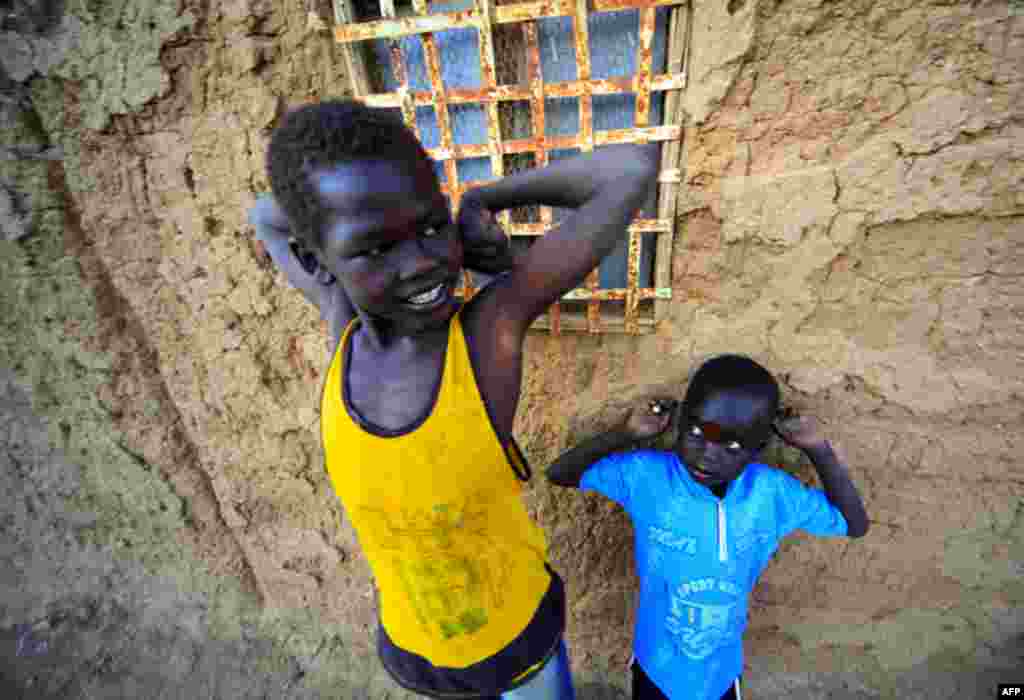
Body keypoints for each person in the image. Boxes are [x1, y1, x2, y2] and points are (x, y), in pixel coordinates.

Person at [248, 99, 660, 699]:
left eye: (431, 226)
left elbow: (631, 170)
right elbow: (268, 215)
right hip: (417, 652)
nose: (421, 264)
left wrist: (485, 199)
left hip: (517, 652)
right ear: (318, 261)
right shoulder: (343, 330)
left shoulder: (485, 337)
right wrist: (324, 212)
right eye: (375, 248)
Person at [545, 354, 869, 700]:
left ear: (758, 448)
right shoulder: (647, 477)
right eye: (697, 432)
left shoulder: (772, 494)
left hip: (721, 671)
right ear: (681, 421)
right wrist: (625, 433)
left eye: (730, 446)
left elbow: (854, 524)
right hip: (656, 664)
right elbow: (561, 474)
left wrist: (817, 448)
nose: (706, 456)